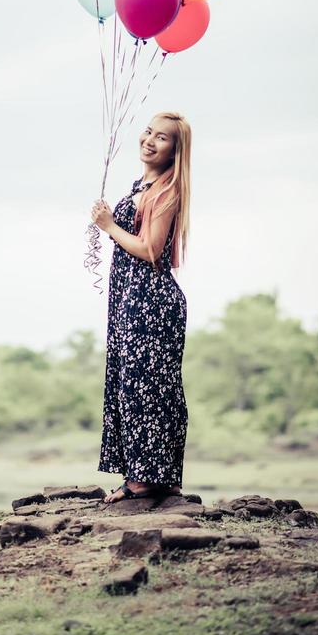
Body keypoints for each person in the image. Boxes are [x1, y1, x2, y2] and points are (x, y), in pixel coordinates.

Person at [90, 111, 191, 503]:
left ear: (175, 151)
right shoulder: (142, 185)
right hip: (130, 299)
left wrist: (109, 227)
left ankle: (150, 479)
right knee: (130, 384)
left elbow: (150, 250)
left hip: (150, 302)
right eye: (148, 132)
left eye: (162, 138)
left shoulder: (168, 191)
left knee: (150, 387)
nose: (150, 140)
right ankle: (142, 474)